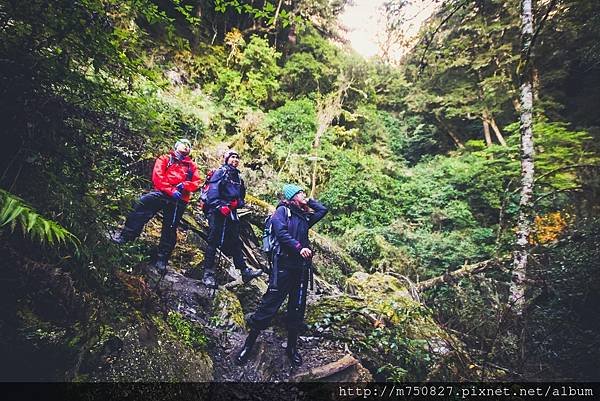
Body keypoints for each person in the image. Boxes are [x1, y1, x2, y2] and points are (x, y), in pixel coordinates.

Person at [236, 184, 328, 367]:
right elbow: (282, 234)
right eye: (300, 193)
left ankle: (291, 349)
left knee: (297, 308)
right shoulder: (281, 212)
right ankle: (248, 345)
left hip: (300, 269)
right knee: (269, 305)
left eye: (303, 192)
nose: (304, 194)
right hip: (283, 267)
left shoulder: (303, 216)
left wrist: (308, 200)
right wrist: (299, 247)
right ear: (291, 197)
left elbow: (323, 210)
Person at [112, 139, 201, 273]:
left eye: (188, 146)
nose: (186, 147)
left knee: (170, 228)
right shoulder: (165, 158)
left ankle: (162, 259)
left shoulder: (191, 166)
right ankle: (126, 237)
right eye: (183, 144)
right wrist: (171, 190)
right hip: (163, 193)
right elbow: (157, 177)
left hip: (179, 199)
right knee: (141, 206)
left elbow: (196, 183)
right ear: (176, 146)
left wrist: (185, 185)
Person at [201, 149, 263, 289]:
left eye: (237, 157)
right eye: (232, 157)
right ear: (226, 159)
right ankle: (208, 274)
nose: (235, 160)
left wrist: (236, 204)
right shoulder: (220, 173)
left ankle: (244, 271)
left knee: (235, 242)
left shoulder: (238, 178)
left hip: (231, 213)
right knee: (213, 240)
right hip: (217, 212)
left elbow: (241, 198)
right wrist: (220, 206)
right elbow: (212, 193)